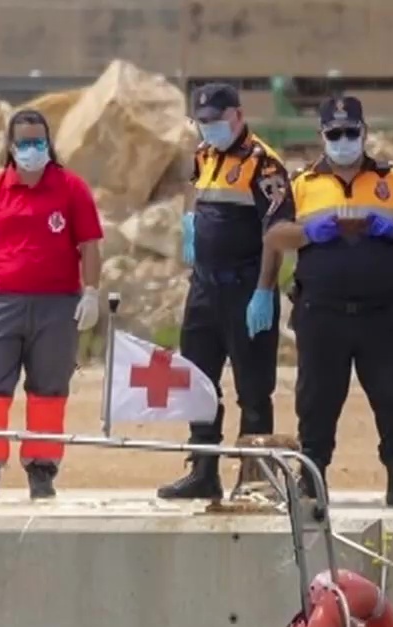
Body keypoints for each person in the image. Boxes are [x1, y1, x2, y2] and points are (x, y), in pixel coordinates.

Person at [264, 96, 393, 508]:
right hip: (323, 314)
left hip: (382, 313)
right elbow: (274, 234)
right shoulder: (302, 183)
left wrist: (390, 227)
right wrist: (309, 232)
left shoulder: (392, 180)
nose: (343, 140)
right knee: (317, 400)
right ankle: (312, 479)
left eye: (350, 132)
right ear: (322, 137)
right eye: (334, 134)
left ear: (364, 133)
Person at [0, 109, 104, 501]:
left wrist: (92, 292)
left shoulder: (71, 189)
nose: (33, 148)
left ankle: (42, 470)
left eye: (39, 141)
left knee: (49, 390)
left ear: (49, 143)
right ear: (11, 148)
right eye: (25, 142)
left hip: (57, 307)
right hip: (0, 304)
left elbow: (90, 246)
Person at [156, 84, 288, 501]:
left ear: (237, 115)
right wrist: (190, 227)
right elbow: (193, 193)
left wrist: (264, 290)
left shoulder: (264, 164)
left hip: (245, 289)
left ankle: (254, 476)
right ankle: (203, 469)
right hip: (205, 288)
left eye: (216, 119)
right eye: (203, 120)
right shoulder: (204, 154)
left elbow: (276, 233)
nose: (210, 127)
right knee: (197, 382)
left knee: (252, 387)